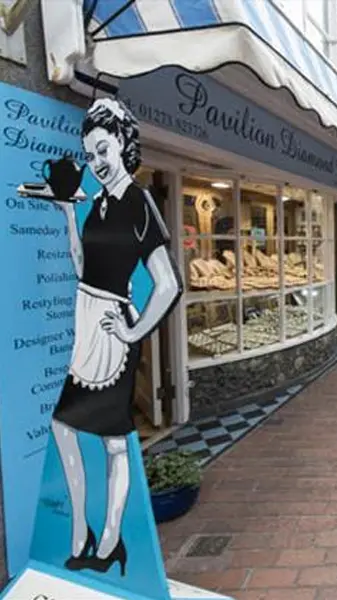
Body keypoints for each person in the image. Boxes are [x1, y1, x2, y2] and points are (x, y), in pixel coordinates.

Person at [51, 98, 182, 576]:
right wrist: (69, 214)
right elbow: (85, 267)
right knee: (64, 426)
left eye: (103, 149)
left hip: (111, 332)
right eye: (90, 155)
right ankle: (84, 534)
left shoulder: (138, 202)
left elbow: (168, 283)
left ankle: (108, 540)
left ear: (124, 142)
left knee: (111, 440)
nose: (97, 163)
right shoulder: (98, 204)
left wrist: (132, 331)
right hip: (87, 325)